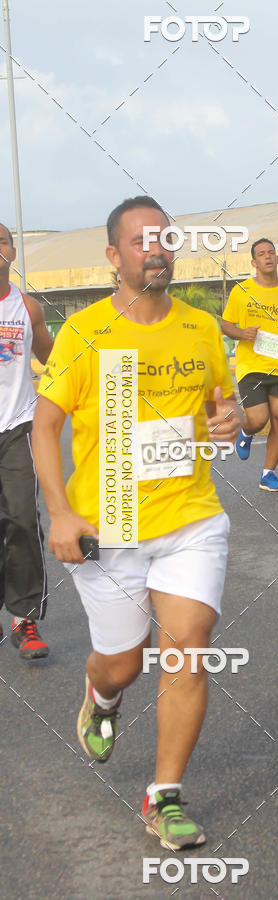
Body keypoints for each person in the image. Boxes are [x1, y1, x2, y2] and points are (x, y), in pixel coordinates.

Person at [32, 196, 242, 849]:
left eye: (164, 239)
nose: (156, 250)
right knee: (122, 663)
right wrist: (60, 513)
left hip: (189, 518)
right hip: (109, 523)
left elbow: (226, 406)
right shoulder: (86, 330)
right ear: (114, 256)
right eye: (140, 241)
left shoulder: (200, 328)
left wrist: (232, 420)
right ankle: (103, 696)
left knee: (189, 646)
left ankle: (164, 795)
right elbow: (45, 426)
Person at [0, 222, 53, 658]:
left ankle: (24, 619)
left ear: (12, 251)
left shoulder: (27, 308)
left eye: (1, 240)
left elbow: (51, 357)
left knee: (21, 520)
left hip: (18, 426)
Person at [221, 238, 278, 491]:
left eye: (271, 252)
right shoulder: (242, 291)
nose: (268, 257)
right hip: (251, 365)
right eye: (261, 254)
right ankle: (246, 433)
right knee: (258, 419)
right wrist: (241, 334)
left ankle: (268, 474)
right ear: (254, 262)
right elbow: (226, 324)